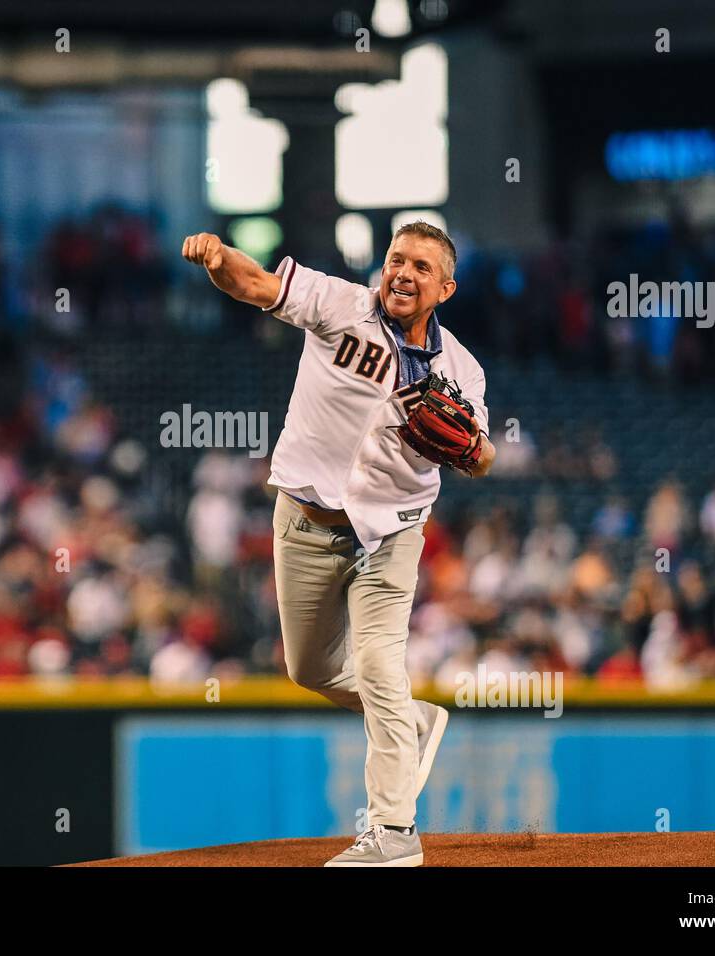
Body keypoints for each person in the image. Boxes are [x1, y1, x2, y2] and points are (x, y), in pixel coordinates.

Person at [182, 221, 494, 866]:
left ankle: (394, 833)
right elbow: (253, 282)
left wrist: (467, 447)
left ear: (447, 288)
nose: (403, 273)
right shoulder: (337, 303)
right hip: (306, 519)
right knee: (310, 669)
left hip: (393, 529)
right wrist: (217, 259)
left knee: (380, 663)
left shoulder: (463, 370)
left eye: (421, 267)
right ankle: (410, 719)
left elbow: (484, 455)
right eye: (396, 260)